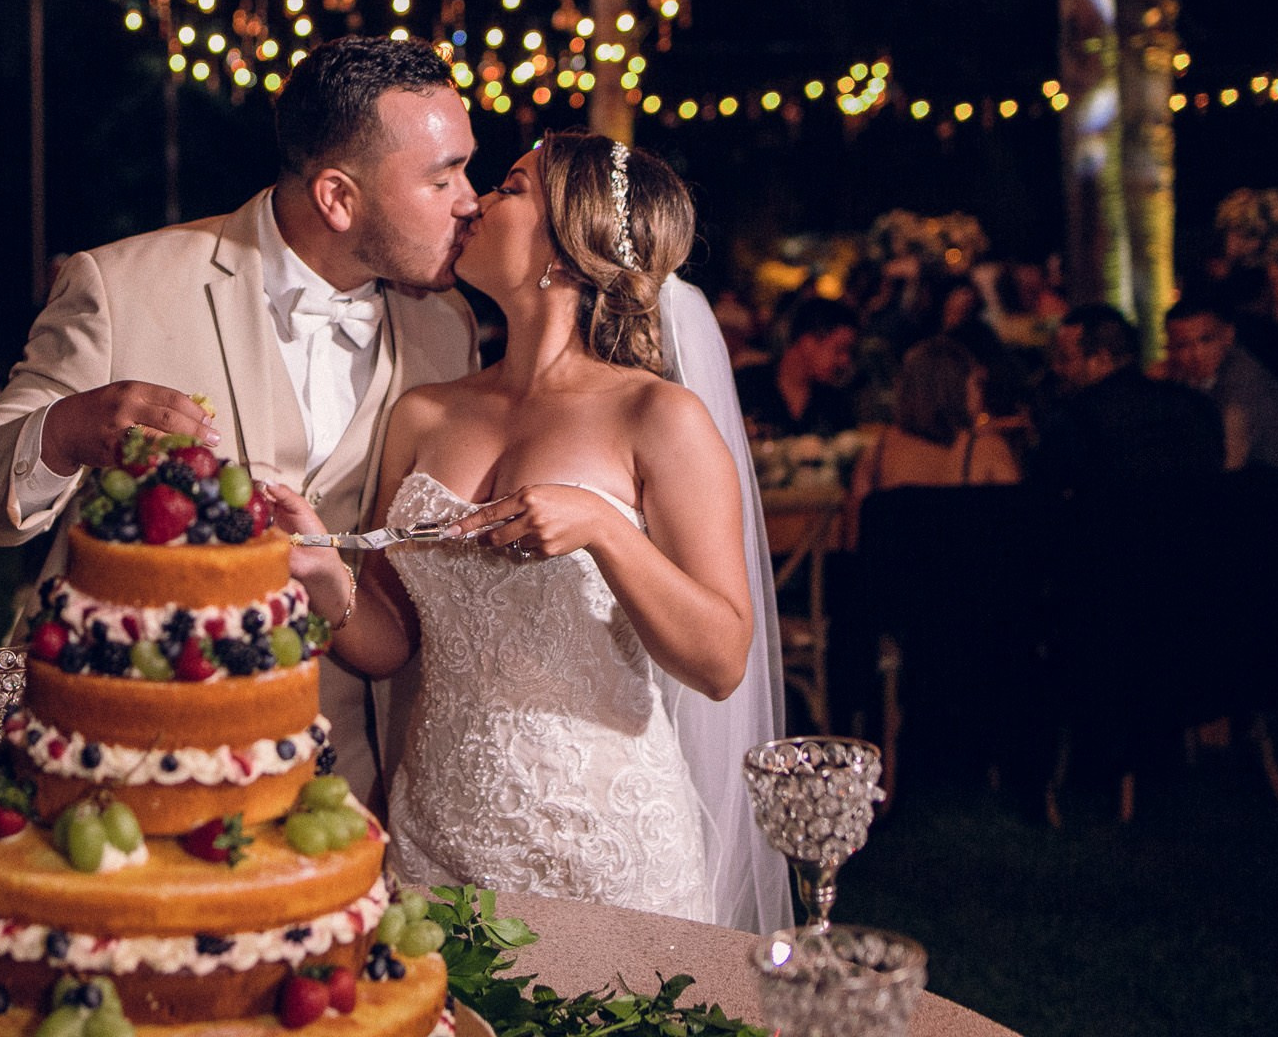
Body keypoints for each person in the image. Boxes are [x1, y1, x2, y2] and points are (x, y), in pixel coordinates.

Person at [264, 135, 789, 931]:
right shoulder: (425, 414)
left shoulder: (657, 417)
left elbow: (720, 662)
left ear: (567, 246)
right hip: (436, 835)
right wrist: (319, 573)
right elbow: (390, 641)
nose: (476, 201)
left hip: (605, 846)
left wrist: (605, 529)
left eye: (511, 188)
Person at [0, 36, 481, 808]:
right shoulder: (122, 286)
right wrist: (65, 431)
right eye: (442, 177)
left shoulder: (448, 327)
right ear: (337, 196)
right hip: (124, 775)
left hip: (349, 786)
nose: (470, 199)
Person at [1165, 293, 1278, 574]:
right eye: (1183, 345)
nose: (1195, 354)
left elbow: (1230, 472)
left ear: (1228, 335)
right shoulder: (1200, 380)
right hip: (1277, 525)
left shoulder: (1241, 388)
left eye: (1205, 340)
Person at [846, 335, 1020, 537]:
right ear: (955, 388)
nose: (981, 395)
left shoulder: (877, 453)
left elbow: (854, 536)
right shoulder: (985, 450)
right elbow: (1016, 529)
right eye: (976, 384)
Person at [1037, 304, 1223, 487]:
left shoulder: (1075, 421)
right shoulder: (1196, 405)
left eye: (1065, 359)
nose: (1056, 368)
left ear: (1102, 359)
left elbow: (1047, 490)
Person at [735, 296, 861, 437]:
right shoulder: (747, 385)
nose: (845, 360)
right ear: (807, 342)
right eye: (839, 350)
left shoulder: (835, 402)